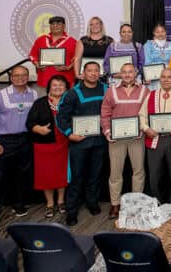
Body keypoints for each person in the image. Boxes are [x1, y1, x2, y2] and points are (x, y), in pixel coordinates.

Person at [0, 66, 38, 231]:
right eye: (17, 75)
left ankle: (18, 205)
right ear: (11, 78)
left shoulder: (33, 94)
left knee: (23, 174)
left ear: (28, 77)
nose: (20, 78)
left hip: (25, 139)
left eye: (24, 75)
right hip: (5, 140)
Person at [56, 61, 108, 226]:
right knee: (77, 177)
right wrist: (69, 134)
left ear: (99, 73)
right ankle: (72, 210)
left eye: (96, 71)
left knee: (95, 175)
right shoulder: (72, 93)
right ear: (83, 74)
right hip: (79, 142)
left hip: (99, 141)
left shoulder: (106, 90)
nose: (93, 73)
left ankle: (92, 203)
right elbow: (61, 117)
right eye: (89, 71)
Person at [100, 62, 149, 219]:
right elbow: (105, 113)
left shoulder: (144, 91)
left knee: (138, 172)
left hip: (137, 138)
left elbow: (148, 113)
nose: (128, 75)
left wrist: (143, 128)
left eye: (130, 72)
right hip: (116, 139)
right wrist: (107, 132)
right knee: (115, 173)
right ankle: (115, 204)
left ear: (135, 74)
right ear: (120, 74)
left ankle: (137, 203)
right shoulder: (111, 91)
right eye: (124, 72)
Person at [139, 67, 171, 214]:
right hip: (155, 139)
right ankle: (157, 202)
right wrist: (147, 129)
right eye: (163, 77)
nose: (166, 79)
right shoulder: (151, 95)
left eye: (169, 77)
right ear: (159, 79)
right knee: (154, 175)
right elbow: (141, 116)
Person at [26, 74, 71, 218]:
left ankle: (61, 201)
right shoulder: (40, 103)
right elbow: (29, 123)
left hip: (64, 143)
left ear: (66, 88)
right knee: (46, 176)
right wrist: (38, 129)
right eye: (54, 85)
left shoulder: (69, 102)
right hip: (44, 146)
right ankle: (50, 204)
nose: (58, 87)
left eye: (61, 85)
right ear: (49, 88)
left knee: (62, 174)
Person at [29, 16, 77, 89]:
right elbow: (32, 55)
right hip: (44, 80)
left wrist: (68, 67)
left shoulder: (73, 41)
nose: (55, 26)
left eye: (58, 23)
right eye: (52, 24)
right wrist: (37, 63)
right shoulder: (41, 39)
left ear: (64, 26)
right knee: (44, 100)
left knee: (65, 100)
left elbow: (77, 59)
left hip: (66, 81)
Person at [142, 23, 171, 90]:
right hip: (154, 77)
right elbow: (147, 62)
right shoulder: (148, 45)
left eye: (162, 31)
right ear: (153, 33)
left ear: (166, 32)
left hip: (168, 77)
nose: (160, 34)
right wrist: (147, 76)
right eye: (157, 32)